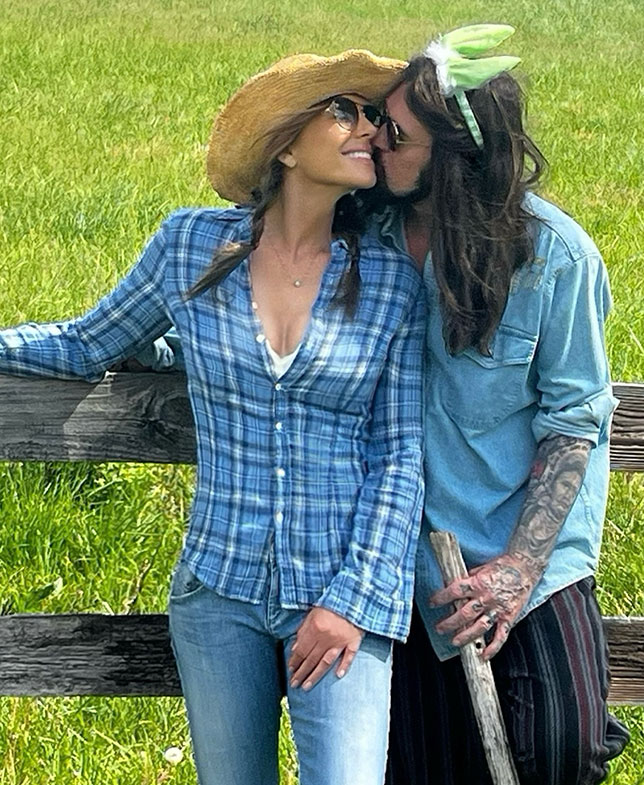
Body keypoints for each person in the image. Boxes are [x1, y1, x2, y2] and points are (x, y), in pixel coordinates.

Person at [132, 24, 630, 783]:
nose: (373, 140)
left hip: (524, 559)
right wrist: (172, 353)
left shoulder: (555, 258)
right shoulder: (372, 235)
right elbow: (258, 298)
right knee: (424, 766)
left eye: (394, 132)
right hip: (406, 559)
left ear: (453, 155)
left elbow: (575, 422)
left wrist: (518, 568)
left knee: (564, 745)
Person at [0, 50, 425, 785]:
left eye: (372, 115)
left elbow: (399, 455)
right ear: (286, 144)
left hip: (339, 602)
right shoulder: (190, 245)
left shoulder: (390, 278)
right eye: (344, 111)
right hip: (217, 594)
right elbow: (84, 342)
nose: (368, 130)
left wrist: (353, 600)